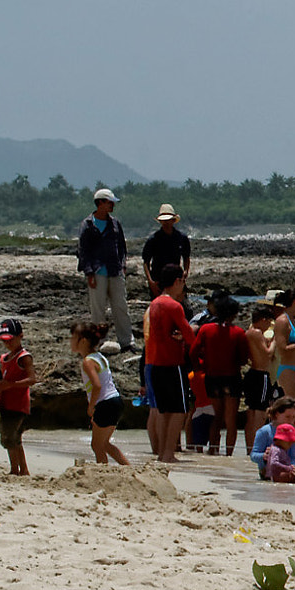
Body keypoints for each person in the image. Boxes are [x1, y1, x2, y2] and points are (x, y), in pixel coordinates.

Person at [142, 265, 196, 463]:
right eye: (182, 281)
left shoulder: (154, 304)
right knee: (179, 410)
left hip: (154, 363)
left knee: (164, 411)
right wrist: (187, 334)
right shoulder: (174, 306)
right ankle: (168, 453)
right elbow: (190, 336)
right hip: (172, 363)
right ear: (176, 281)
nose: (183, 285)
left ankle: (162, 452)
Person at [76, 188, 134, 353]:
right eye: (109, 202)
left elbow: (122, 246)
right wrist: (89, 272)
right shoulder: (87, 224)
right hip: (97, 272)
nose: (112, 205)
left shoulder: (115, 223)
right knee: (98, 309)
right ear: (100, 203)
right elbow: (83, 250)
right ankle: (100, 341)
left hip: (115, 270)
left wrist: (123, 265)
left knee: (121, 307)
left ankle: (126, 341)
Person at [190, 294, 248, 456]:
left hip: (212, 377)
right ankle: (229, 454)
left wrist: (199, 368)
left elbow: (193, 353)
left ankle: (213, 449)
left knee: (214, 418)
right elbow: (243, 358)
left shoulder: (206, 330)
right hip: (232, 378)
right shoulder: (238, 333)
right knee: (230, 421)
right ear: (234, 314)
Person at [71, 321, 129, 466]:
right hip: (115, 400)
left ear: (83, 341)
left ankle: (103, 472)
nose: (70, 342)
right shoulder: (99, 356)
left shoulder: (87, 362)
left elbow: (96, 386)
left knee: (97, 445)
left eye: (73, 338)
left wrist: (91, 407)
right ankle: (127, 468)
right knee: (104, 444)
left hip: (105, 403)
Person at [0, 318, 36, 475]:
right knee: (13, 438)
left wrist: (10, 385)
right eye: (4, 341)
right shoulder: (5, 358)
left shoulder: (24, 357)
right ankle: (19, 469)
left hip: (18, 404)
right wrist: (0, 390)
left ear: (20, 336)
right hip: (7, 402)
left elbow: (32, 379)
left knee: (9, 437)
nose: (7, 343)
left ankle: (17, 469)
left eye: (10, 340)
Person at [242, 303, 277, 447]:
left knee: (251, 413)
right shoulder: (256, 332)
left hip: (253, 373)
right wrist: (275, 341)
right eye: (268, 321)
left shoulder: (250, 332)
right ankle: (255, 446)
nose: (269, 325)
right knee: (259, 413)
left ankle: (250, 447)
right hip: (261, 374)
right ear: (263, 319)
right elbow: (268, 354)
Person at [269, 288, 295, 402]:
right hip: (288, 369)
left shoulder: (292, 320)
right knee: (293, 406)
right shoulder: (282, 321)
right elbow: (282, 349)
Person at [142, 204, 193, 291]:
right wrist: (150, 281)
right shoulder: (153, 239)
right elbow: (146, 261)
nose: (166, 223)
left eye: (168, 220)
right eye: (163, 220)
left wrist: (185, 272)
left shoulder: (181, 238)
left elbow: (186, 257)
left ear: (173, 220)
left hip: (176, 279)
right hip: (158, 279)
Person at [251, 396, 295, 480]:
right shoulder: (264, 432)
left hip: (287, 472)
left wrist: (293, 466)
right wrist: (263, 456)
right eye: (287, 417)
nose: (291, 421)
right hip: (267, 474)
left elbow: (294, 457)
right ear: (277, 414)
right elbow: (253, 455)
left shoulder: (291, 432)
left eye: (293, 417)